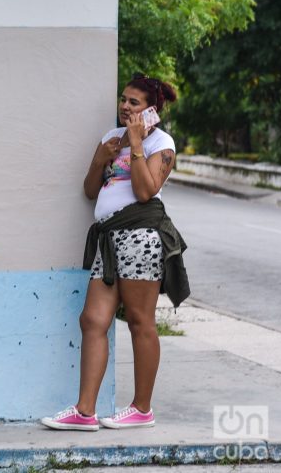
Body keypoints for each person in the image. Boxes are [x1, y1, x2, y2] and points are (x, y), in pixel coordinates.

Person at [41, 73, 188, 431]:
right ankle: (85, 410)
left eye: (133, 102)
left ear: (151, 110)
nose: (124, 106)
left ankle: (142, 408)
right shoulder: (110, 139)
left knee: (140, 321)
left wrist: (136, 145)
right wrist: (98, 159)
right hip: (108, 241)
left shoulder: (162, 143)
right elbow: (91, 190)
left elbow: (145, 190)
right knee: (92, 320)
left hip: (141, 235)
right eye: (123, 99)